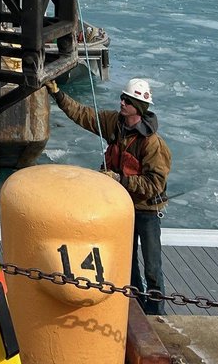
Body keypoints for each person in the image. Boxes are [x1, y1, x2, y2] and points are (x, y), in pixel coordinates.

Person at [46, 76, 170, 315]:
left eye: (127, 100)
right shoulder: (114, 123)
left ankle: (156, 314)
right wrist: (57, 93)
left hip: (147, 211)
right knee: (128, 262)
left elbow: (155, 183)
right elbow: (83, 114)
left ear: (139, 107)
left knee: (152, 266)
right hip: (122, 208)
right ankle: (134, 308)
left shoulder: (153, 145)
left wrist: (119, 179)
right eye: (122, 98)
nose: (121, 102)